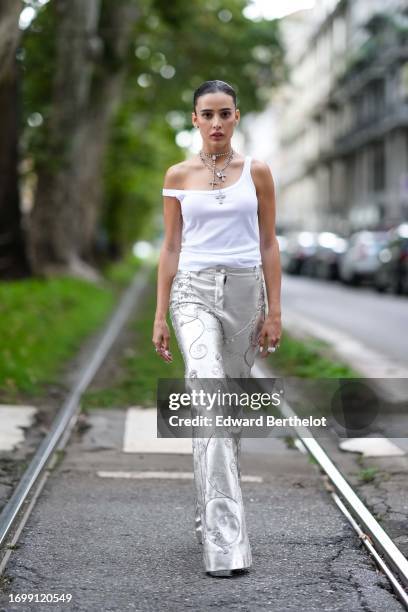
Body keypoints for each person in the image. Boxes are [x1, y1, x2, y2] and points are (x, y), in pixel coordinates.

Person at [152, 79, 282, 578]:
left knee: (224, 416)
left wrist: (274, 311)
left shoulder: (259, 172)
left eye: (224, 114)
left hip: (247, 295)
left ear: (237, 116)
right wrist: (160, 313)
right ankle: (227, 544)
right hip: (193, 294)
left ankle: (210, 516)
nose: (216, 124)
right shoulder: (178, 175)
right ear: (194, 119)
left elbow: (269, 244)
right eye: (207, 115)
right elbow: (170, 249)